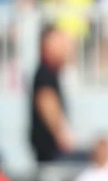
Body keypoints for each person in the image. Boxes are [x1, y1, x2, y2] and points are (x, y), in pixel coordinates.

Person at [29, 25, 77, 163]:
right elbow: (46, 102)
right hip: (50, 150)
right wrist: (62, 135)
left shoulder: (50, 72)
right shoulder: (45, 73)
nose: (64, 49)